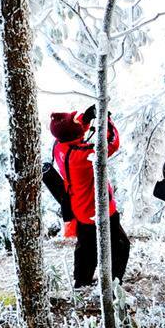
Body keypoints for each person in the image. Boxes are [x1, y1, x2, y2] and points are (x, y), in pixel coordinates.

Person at [49, 106, 130, 288]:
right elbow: (111, 144)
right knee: (121, 246)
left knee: (86, 249)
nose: (79, 122)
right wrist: (107, 121)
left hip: (80, 207)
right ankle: (114, 283)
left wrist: (85, 119)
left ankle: (81, 282)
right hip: (98, 210)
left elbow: (74, 134)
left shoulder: (60, 147)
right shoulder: (83, 156)